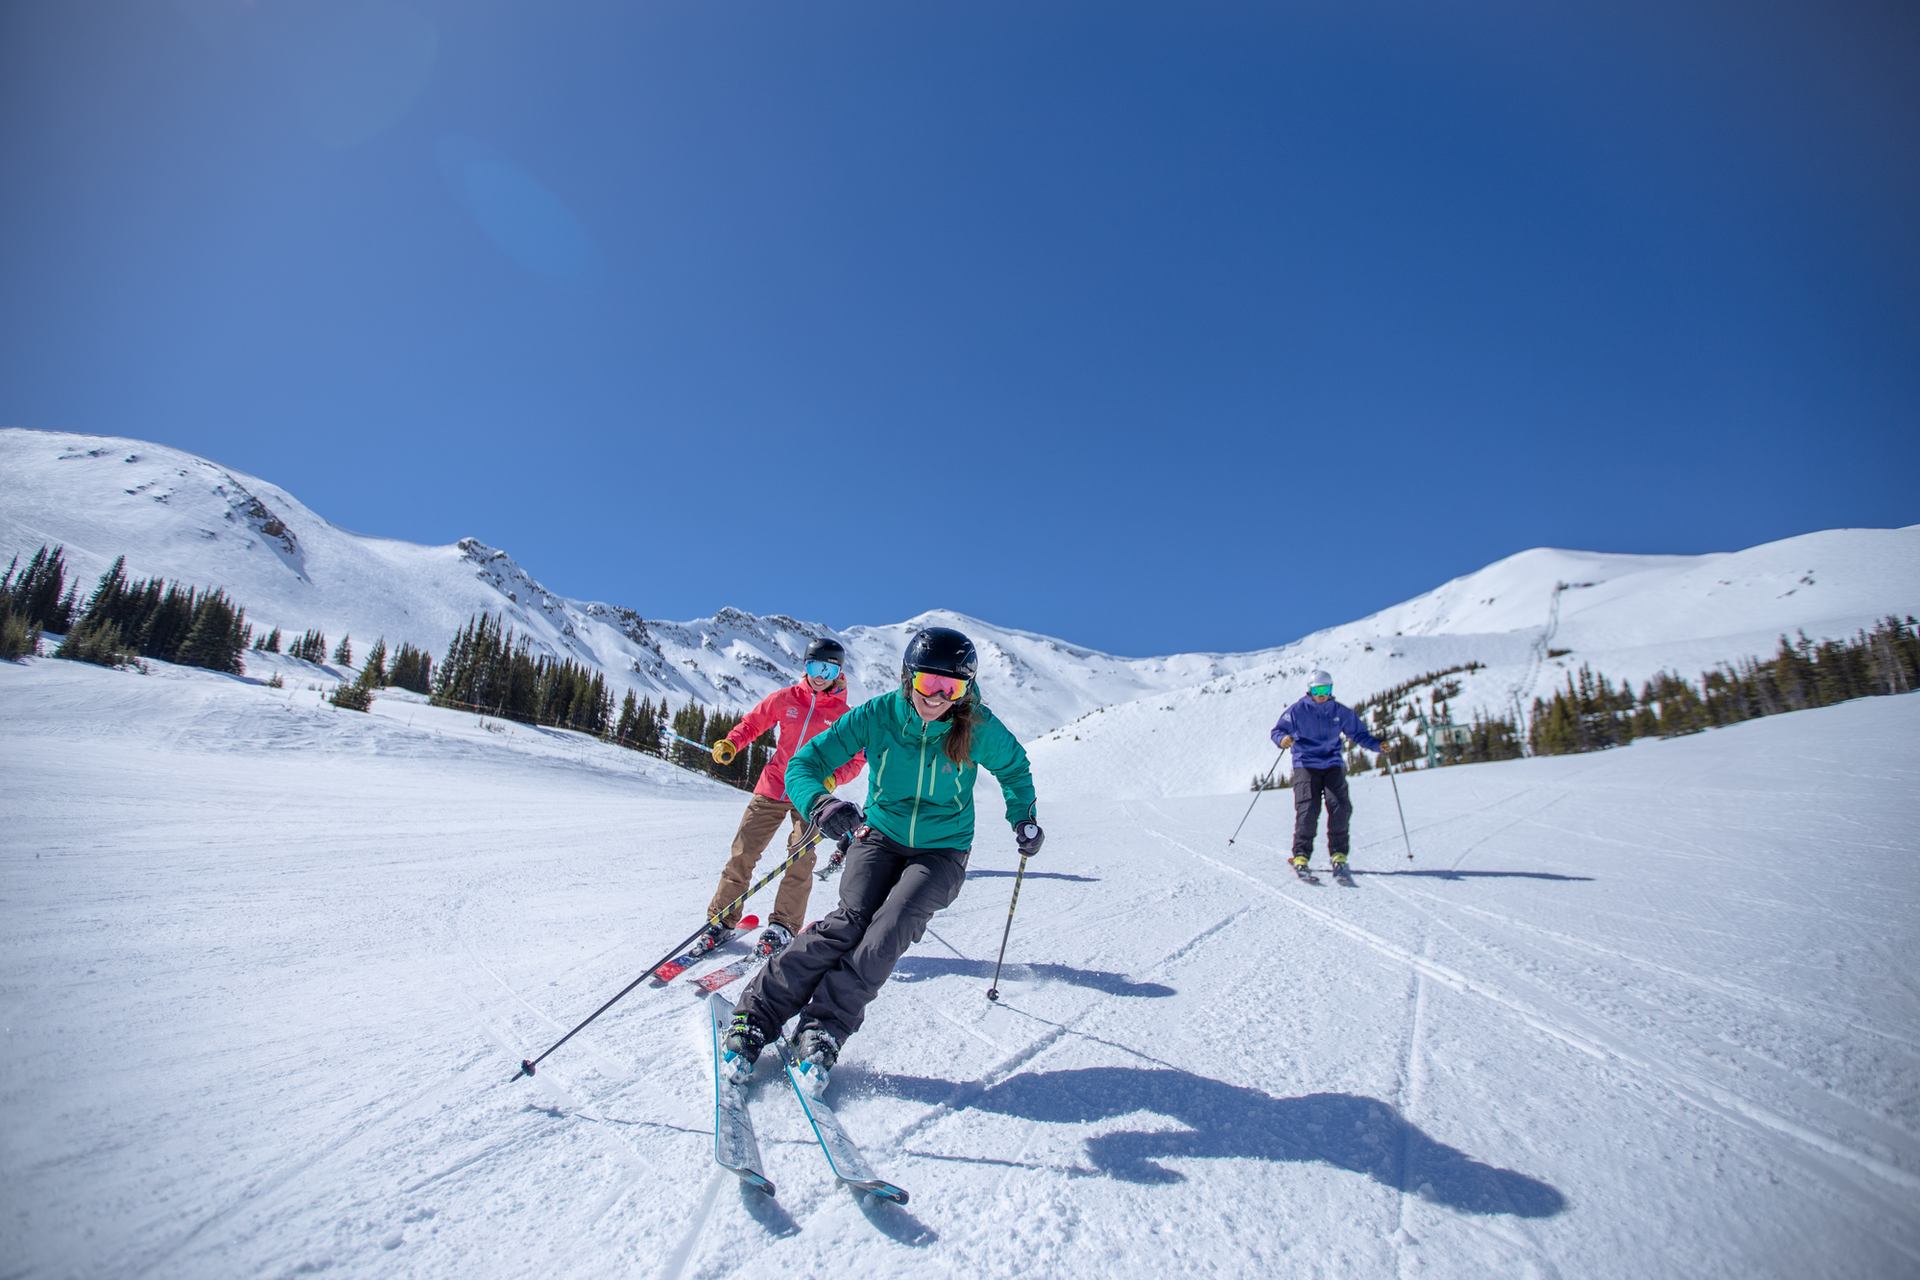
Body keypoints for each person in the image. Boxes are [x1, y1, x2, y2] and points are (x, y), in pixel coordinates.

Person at [721, 625, 1042, 1092]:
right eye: (927, 683)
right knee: (848, 922)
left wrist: (1024, 817)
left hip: (942, 850)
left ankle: (823, 1028)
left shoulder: (976, 726)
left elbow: (1014, 767)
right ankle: (757, 1014)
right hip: (879, 836)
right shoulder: (878, 715)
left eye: (950, 687)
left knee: (888, 930)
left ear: (966, 689)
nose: (936, 697)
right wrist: (822, 804)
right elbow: (804, 765)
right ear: (907, 677)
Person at [689, 637, 866, 960]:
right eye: (813, 666)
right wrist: (731, 743)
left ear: (839, 672)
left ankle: (783, 925)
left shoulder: (844, 715)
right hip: (772, 786)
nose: (819, 675)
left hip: (811, 795)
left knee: (800, 858)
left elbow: (856, 760)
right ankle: (721, 920)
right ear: (805, 667)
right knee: (742, 854)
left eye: (827, 668)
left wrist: (833, 778)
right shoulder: (786, 699)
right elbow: (753, 723)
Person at [1270, 668, 1388, 875]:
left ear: (1331, 689)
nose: (1321, 694)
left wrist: (1378, 746)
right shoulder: (1297, 711)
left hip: (1332, 763)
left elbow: (1359, 734)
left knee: (1341, 806)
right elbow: (1278, 730)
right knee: (1308, 809)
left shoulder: (1340, 712)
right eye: (1317, 690)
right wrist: (1283, 740)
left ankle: (1338, 853)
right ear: (1310, 691)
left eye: (1325, 689)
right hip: (1305, 764)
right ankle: (1301, 854)